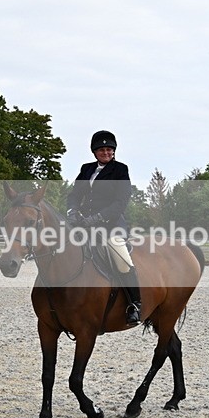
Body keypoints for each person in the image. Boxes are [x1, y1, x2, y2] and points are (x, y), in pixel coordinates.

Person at [66, 130, 142, 326]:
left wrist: (97, 218)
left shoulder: (120, 170)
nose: (106, 152)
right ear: (94, 151)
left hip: (111, 225)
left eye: (109, 149)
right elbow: (74, 194)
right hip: (83, 223)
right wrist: (72, 211)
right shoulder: (86, 169)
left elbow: (120, 202)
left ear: (114, 151)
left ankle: (135, 304)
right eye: (102, 149)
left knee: (121, 258)